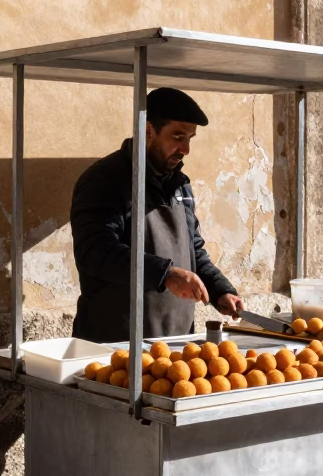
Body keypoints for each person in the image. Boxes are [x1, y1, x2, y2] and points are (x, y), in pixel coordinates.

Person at [70, 87, 244, 342]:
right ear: (148, 130)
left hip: (175, 344)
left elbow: (192, 250)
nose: (185, 149)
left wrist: (220, 291)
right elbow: (95, 252)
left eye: (190, 139)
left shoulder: (180, 184)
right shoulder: (104, 180)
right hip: (114, 345)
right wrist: (166, 274)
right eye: (177, 137)